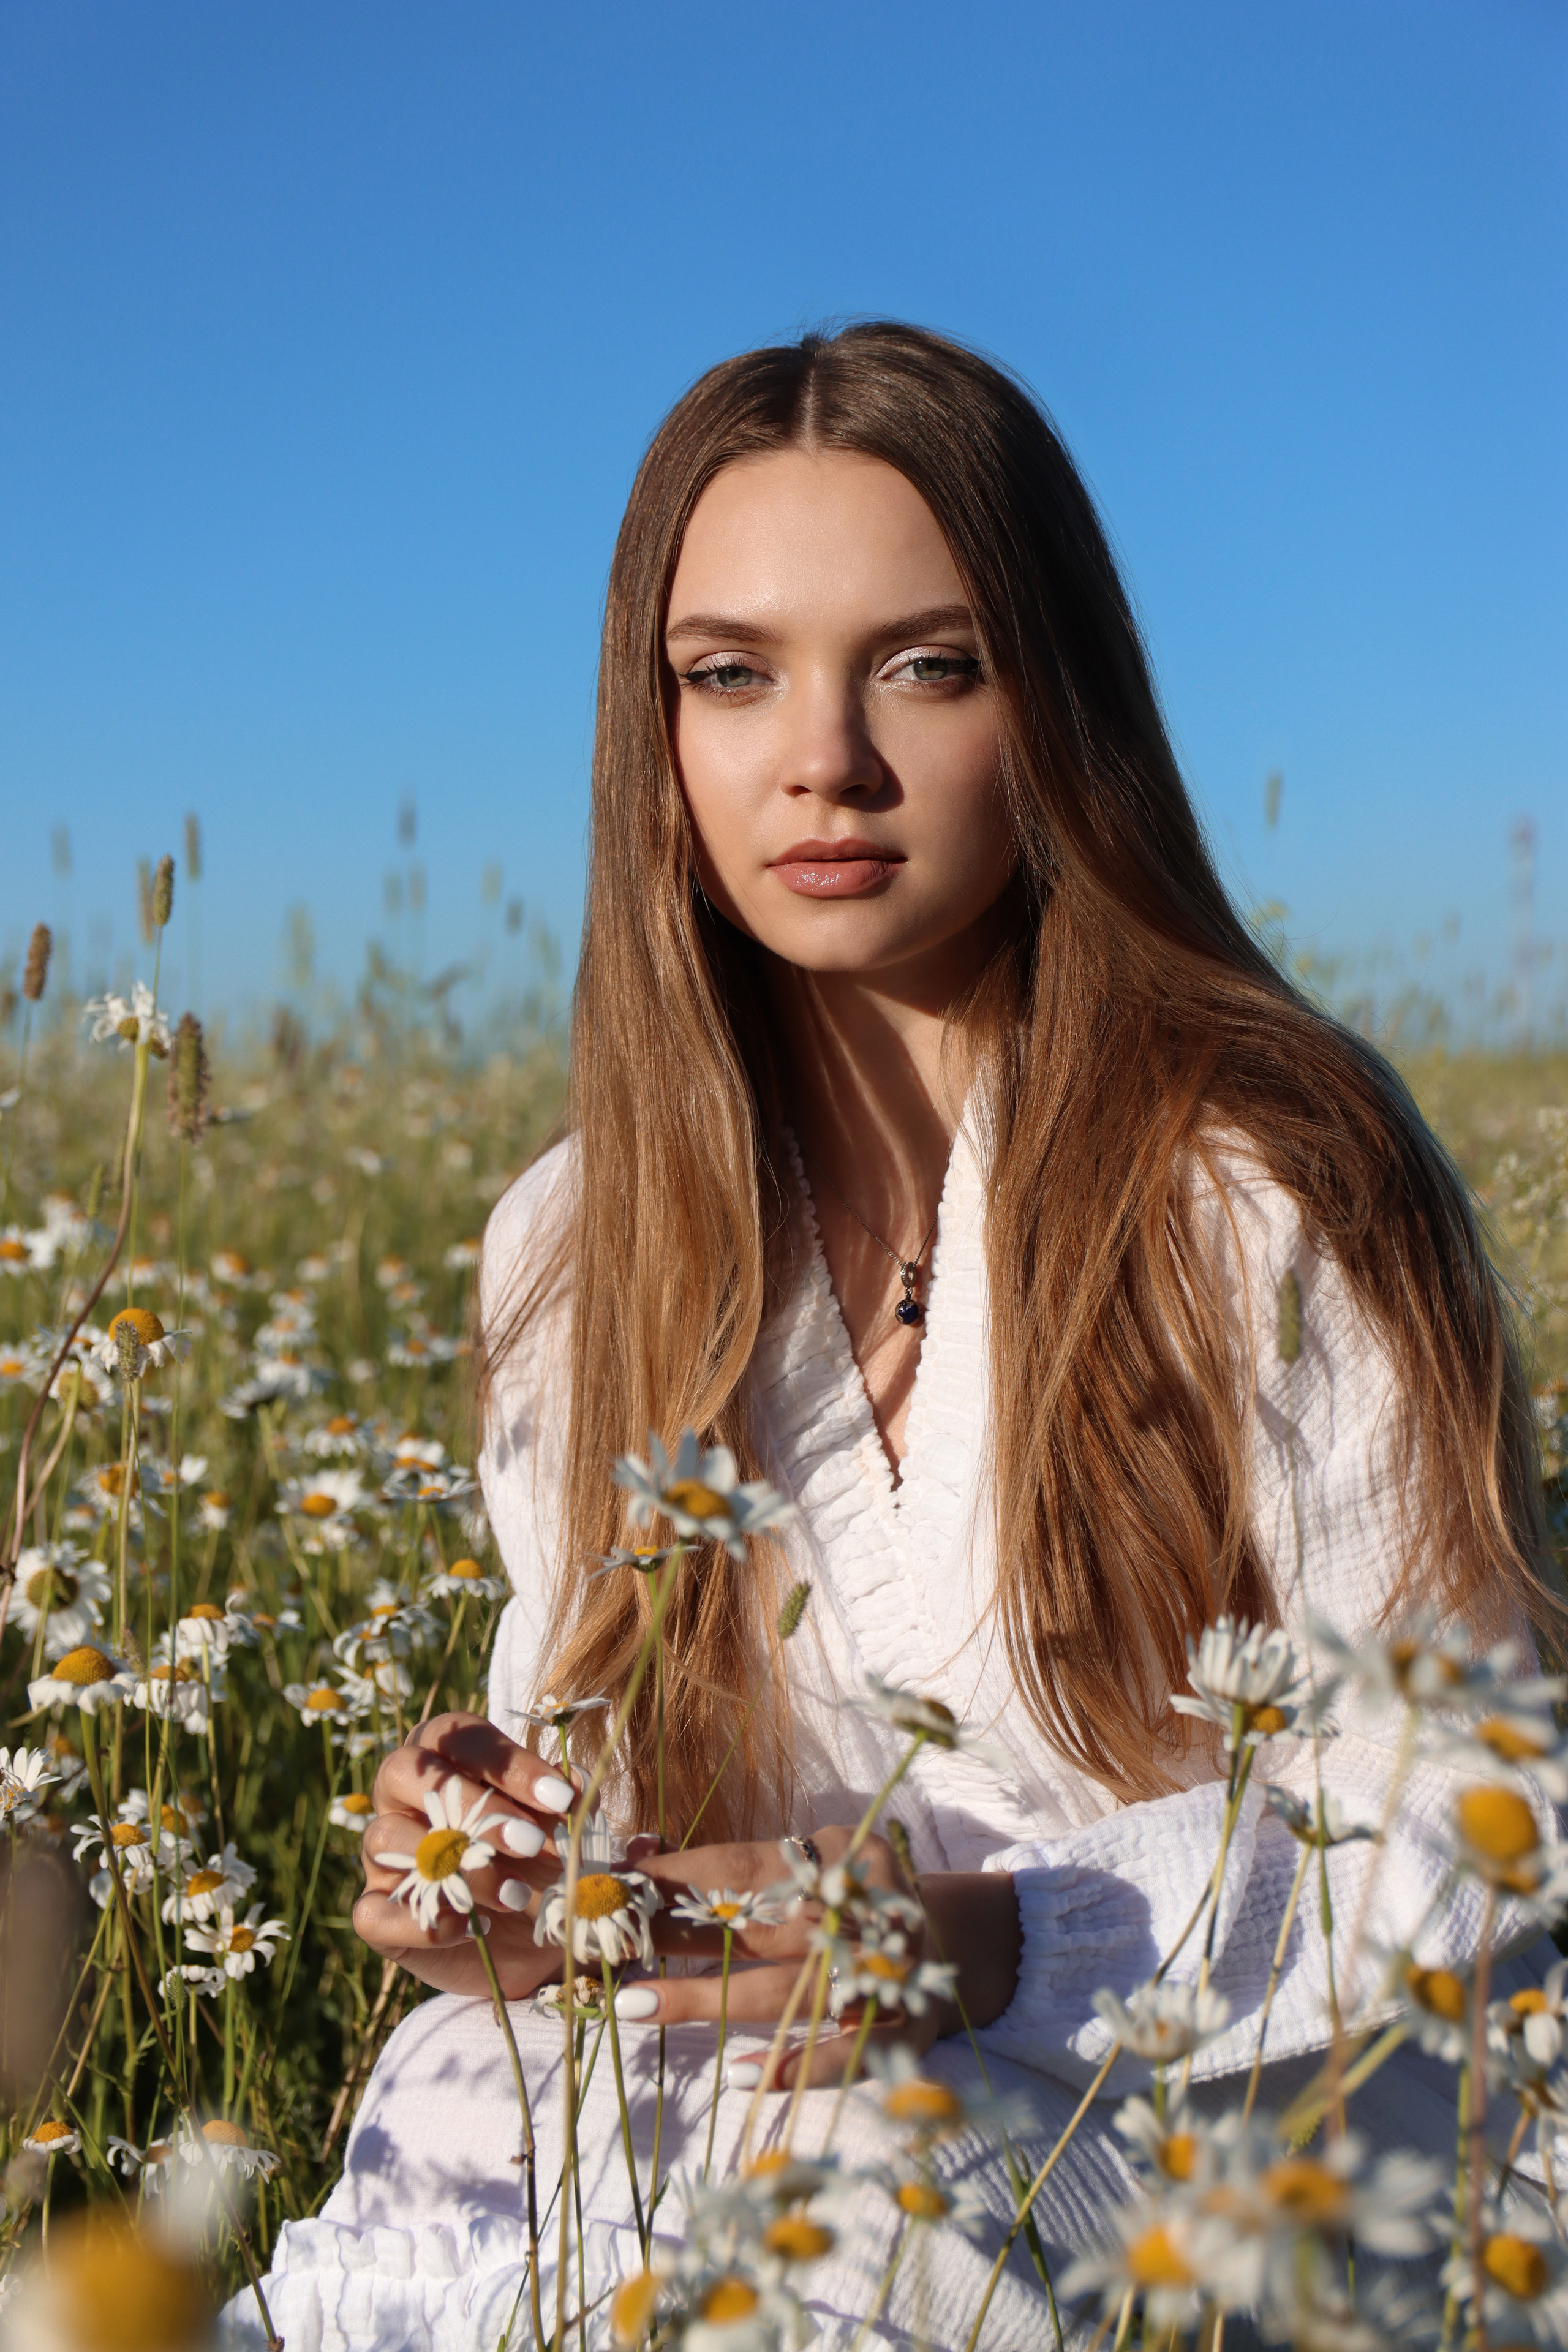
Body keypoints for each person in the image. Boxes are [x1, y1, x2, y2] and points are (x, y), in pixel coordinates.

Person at [239, 323, 1556, 2350]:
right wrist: (507, 1871)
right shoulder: (581, 1244)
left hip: (1265, 2132)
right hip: (762, 2120)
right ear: (655, 728)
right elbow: (651, 1850)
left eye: (928, 665)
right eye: (732, 671)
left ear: (1058, 705)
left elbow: (1482, 1810)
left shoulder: (1264, 1180)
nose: (823, 759)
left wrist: (986, 1944)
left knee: (835, 2226)